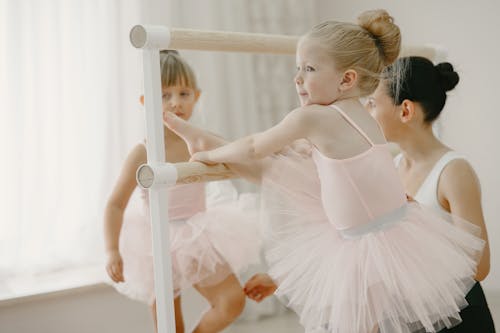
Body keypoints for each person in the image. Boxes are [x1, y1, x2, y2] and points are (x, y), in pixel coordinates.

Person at [170, 9, 485, 333]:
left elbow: (254, 146)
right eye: (297, 69)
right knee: (282, 168)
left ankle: (202, 140)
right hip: (394, 232)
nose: (297, 79)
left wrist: (210, 155)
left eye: (309, 69)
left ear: (346, 79)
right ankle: (200, 136)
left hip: (362, 243)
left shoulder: (312, 118)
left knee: (362, 324)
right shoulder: (363, 115)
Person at [103, 50, 260, 333]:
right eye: (164, 95)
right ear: (145, 101)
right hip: (156, 243)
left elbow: (237, 153)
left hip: (196, 235)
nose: (176, 103)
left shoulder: (200, 141)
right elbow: (115, 204)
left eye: (184, 93)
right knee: (168, 323)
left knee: (231, 302)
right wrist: (112, 250)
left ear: (196, 96)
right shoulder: (143, 151)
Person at [365, 56, 495, 332]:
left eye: (373, 103)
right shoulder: (395, 166)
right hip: (412, 314)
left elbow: (480, 267)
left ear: (406, 111)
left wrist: (420, 220)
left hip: (458, 318)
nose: (367, 110)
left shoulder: (453, 171)